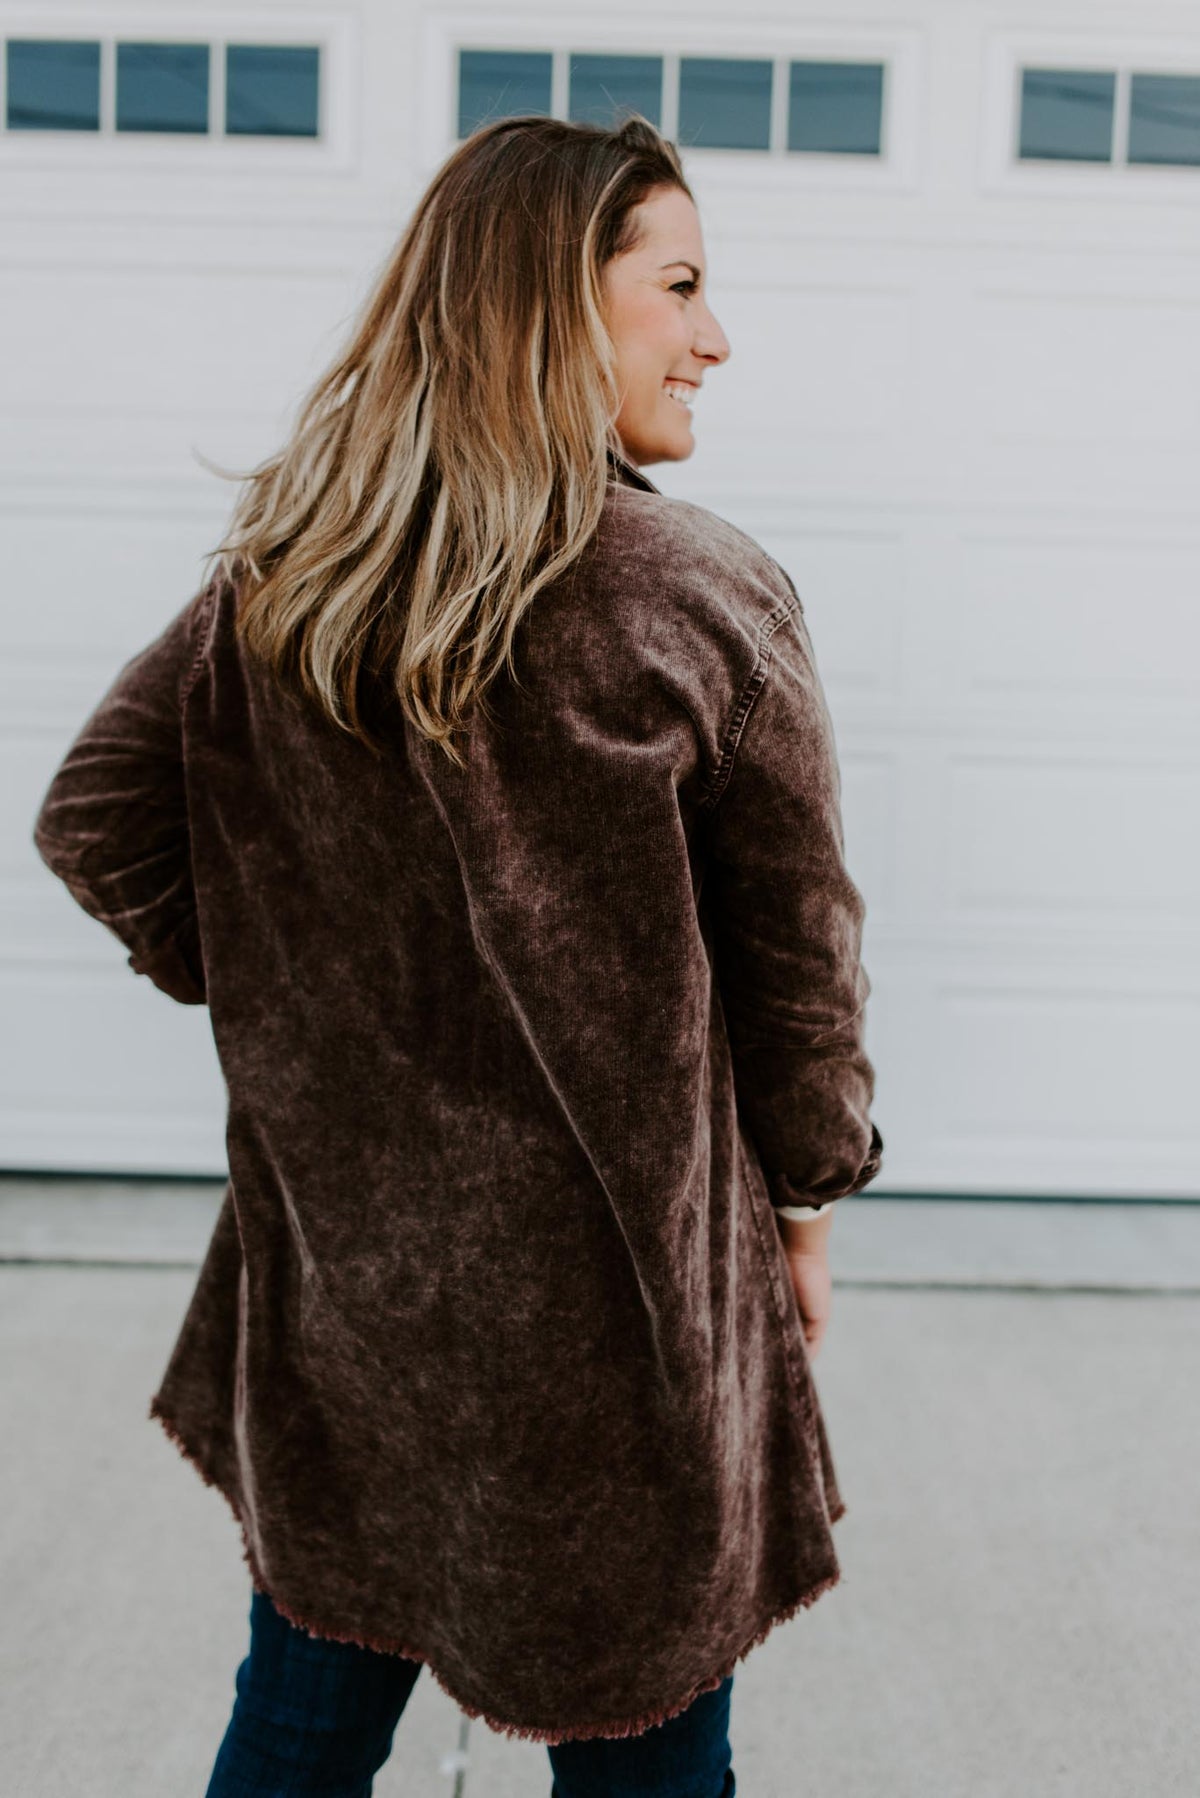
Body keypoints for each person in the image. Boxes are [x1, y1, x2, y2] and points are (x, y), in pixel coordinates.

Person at [32, 112, 883, 1796]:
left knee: (303, 1722)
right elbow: (801, 979)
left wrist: (295, 1003)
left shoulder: (290, 582)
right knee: (646, 1758)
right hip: (623, 1325)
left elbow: (97, 821)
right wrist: (807, 1207)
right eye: (682, 286)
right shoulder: (700, 602)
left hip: (356, 1297)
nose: (716, 336)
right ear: (551, 301)